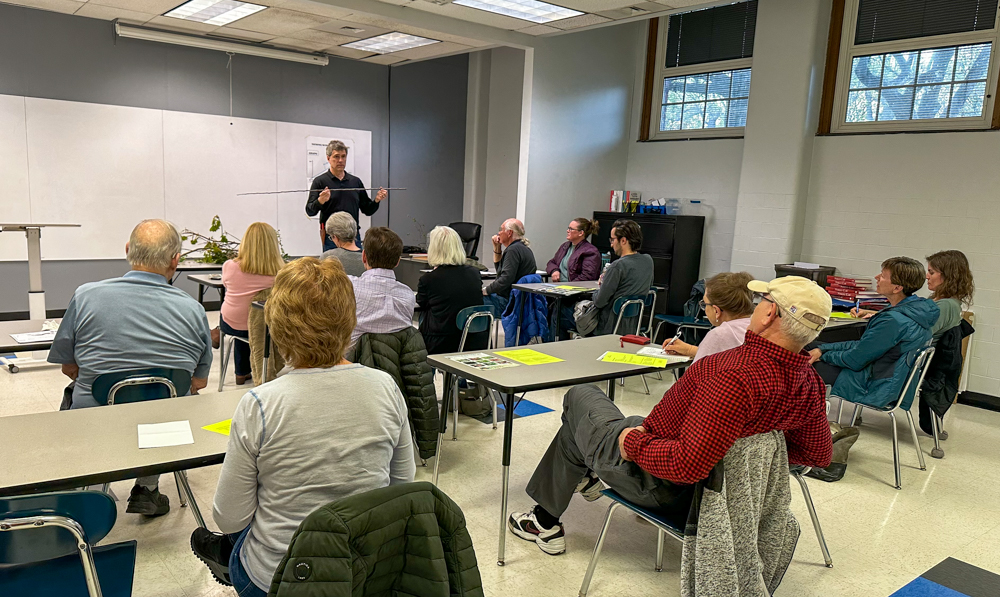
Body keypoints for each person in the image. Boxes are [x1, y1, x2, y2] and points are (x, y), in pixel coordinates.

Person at [507, 276, 833, 555]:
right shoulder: (810, 383)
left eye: (762, 300)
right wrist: (746, 457)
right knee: (588, 426)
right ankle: (553, 507)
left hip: (657, 480)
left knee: (580, 396)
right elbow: (817, 454)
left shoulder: (730, 376)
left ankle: (546, 520)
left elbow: (686, 466)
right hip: (715, 489)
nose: (757, 305)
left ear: (769, 313)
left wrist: (634, 444)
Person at [190, 257, 415, 596]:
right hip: (365, 572)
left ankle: (228, 556)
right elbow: (402, 483)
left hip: (277, 579)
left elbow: (229, 518)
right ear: (350, 319)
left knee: (242, 531)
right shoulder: (386, 387)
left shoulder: (259, 404)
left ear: (276, 325)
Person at [48, 219, 212, 517]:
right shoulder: (194, 309)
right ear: (176, 260)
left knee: (77, 394)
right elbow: (198, 383)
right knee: (170, 403)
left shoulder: (86, 296)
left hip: (98, 421)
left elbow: (68, 366)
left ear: (127, 250)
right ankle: (148, 487)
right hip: (166, 427)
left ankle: (89, 488)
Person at [808, 257, 939, 409]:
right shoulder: (916, 311)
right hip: (888, 380)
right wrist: (822, 349)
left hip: (874, 386)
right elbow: (865, 347)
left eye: (883, 275)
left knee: (802, 357)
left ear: (897, 288)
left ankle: (797, 418)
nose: (877, 277)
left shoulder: (894, 320)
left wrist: (822, 355)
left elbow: (854, 360)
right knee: (813, 346)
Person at [220, 222, 284, 385]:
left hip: (232, 323)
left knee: (243, 318)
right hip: (265, 328)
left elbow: (226, 286)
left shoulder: (229, 266)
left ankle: (240, 373)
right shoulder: (281, 272)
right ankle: (251, 370)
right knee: (255, 319)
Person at [417, 226, 489, 354]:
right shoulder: (474, 273)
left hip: (442, 341)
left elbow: (420, 302)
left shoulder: (428, 279)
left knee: (425, 314)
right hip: (475, 338)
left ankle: (427, 371)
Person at [305, 140, 387, 252]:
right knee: (332, 268)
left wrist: (377, 200)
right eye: (336, 156)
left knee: (356, 266)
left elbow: (367, 210)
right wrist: (320, 201)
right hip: (332, 237)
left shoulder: (355, 182)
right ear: (328, 158)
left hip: (353, 236)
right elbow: (310, 211)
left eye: (343, 156)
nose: (340, 160)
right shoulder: (320, 181)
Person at [662, 271, 755, 362]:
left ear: (716, 311)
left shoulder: (719, 335)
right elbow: (723, 356)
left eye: (704, 304)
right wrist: (689, 350)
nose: (705, 308)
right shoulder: (757, 328)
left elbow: (695, 375)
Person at [349, 226, 415, 346]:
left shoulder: (348, 287)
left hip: (351, 362)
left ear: (364, 256)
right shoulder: (408, 295)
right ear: (397, 261)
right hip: (395, 363)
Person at [592, 220, 654, 336]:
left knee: (563, 313)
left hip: (608, 326)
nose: (611, 244)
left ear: (623, 240)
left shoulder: (617, 266)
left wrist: (599, 288)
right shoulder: (648, 261)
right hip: (634, 326)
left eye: (612, 239)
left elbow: (600, 302)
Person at [483, 218, 536, 315]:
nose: (498, 233)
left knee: (472, 299)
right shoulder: (523, 248)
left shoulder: (513, 250)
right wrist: (497, 247)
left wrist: (486, 290)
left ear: (509, 233)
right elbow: (500, 271)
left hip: (508, 303)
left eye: (501, 229)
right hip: (519, 301)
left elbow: (505, 279)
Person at [925, 250, 974, 340]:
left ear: (948, 276)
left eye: (931, 273)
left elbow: (917, 336)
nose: (927, 276)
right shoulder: (947, 302)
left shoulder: (946, 305)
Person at [545, 218, 601, 283]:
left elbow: (587, 276)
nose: (567, 231)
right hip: (559, 286)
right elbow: (552, 262)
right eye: (568, 228)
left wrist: (569, 286)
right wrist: (554, 270)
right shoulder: (565, 246)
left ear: (581, 233)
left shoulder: (591, 251)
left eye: (571, 229)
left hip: (575, 289)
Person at [320, 211, 365, 276]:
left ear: (336, 237)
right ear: (355, 231)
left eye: (331, 237)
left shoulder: (326, 257)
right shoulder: (367, 260)